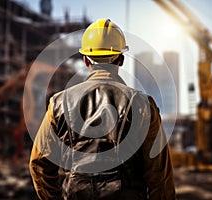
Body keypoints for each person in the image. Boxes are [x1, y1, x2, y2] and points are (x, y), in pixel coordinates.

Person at [29, 18, 175, 200]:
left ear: (85, 60)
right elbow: (159, 176)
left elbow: (39, 165)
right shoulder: (143, 105)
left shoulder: (58, 103)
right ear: (121, 60)